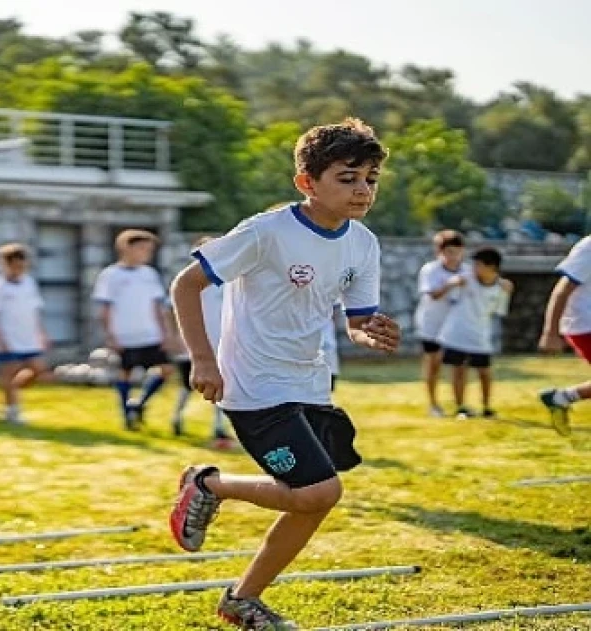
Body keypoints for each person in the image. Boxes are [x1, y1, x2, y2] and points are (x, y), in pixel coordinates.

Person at [169, 118, 400, 630]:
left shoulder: (363, 243)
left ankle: (241, 600)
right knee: (320, 491)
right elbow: (186, 286)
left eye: (371, 179)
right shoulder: (265, 232)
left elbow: (356, 320)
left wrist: (371, 333)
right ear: (307, 182)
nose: (363, 190)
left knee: (310, 500)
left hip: (310, 381)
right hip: (252, 385)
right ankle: (209, 484)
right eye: (348, 177)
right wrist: (203, 360)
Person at [92, 229, 173, 431]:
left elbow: (157, 307)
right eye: (142, 248)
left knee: (166, 370)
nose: (146, 253)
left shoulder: (149, 274)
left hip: (150, 334)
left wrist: (165, 333)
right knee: (124, 373)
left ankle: (139, 403)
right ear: (125, 248)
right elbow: (105, 309)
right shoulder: (111, 275)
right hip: (125, 336)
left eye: (149, 249)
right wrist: (111, 336)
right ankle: (126, 415)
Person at [170, 236, 234, 449]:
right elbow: (173, 310)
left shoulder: (226, 281)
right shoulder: (189, 280)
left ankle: (218, 426)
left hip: (219, 343)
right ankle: (177, 418)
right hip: (193, 343)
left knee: (219, 387)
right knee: (186, 386)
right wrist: (175, 338)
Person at [437, 248, 513, 420]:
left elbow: (500, 310)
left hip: (480, 336)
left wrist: (506, 292)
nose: (474, 267)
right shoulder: (465, 279)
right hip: (457, 333)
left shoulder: (502, 287)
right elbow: (448, 290)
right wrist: (452, 284)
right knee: (459, 371)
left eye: (478, 264)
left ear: (491, 266)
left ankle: (487, 407)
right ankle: (461, 407)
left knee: (485, 372)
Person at [0, 244, 49, 425]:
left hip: (29, 338)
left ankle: (11, 390)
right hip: (8, 338)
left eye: (22, 265)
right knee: (9, 372)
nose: (20, 269)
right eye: (16, 265)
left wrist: (41, 333)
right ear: (6, 264)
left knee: (38, 370)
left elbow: (35, 310)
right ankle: (12, 410)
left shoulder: (29, 283)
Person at [537, 235, 591, 436]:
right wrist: (550, 332)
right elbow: (561, 290)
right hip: (584, 324)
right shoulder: (589, 248)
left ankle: (561, 398)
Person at [413, 230, 467, 417]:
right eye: (449, 252)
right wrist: (451, 283)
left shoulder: (467, 271)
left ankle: (461, 406)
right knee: (434, 364)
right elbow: (433, 294)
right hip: (432, 325)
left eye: (457, 252)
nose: (453, 257)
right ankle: (434, 404)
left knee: (459, 366)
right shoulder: (430, 270)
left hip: (456, 326)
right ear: (439, 252)